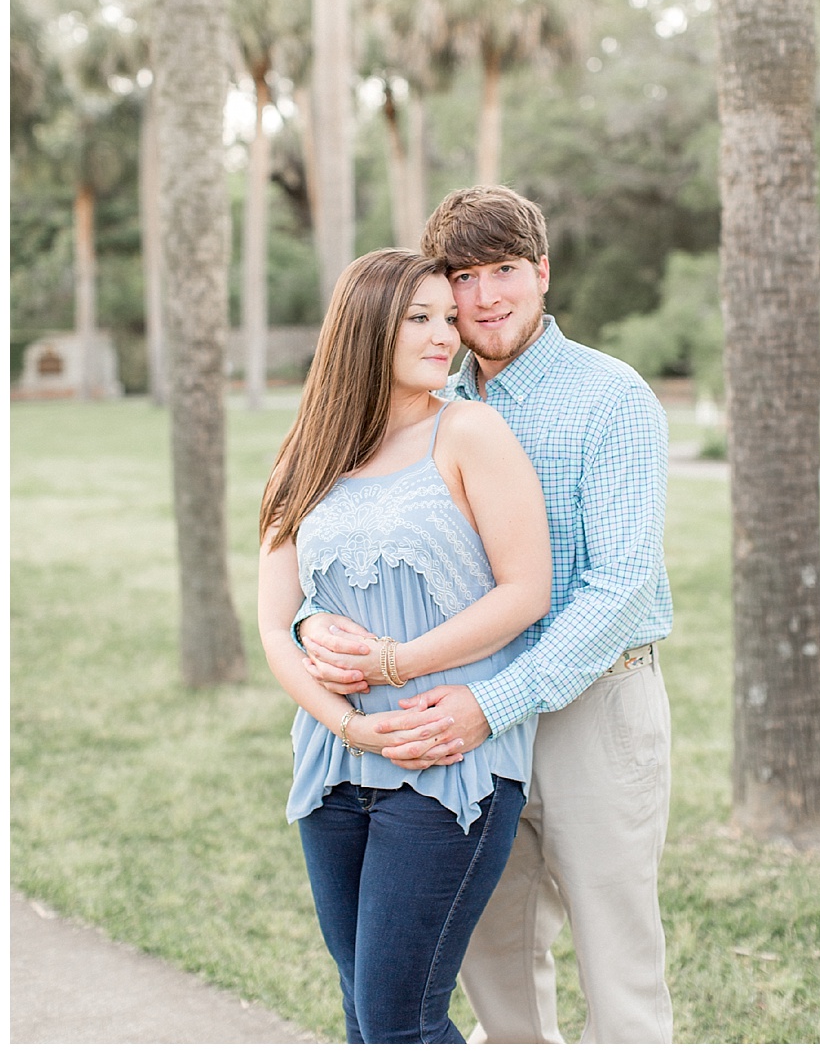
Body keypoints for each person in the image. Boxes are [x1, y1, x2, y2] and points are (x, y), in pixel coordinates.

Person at [300, 185, 675, 1043]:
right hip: (459, 726)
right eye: (462, 277)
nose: (482, 299)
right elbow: (343, 532)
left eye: (504, 270)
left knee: (619, 970)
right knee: (496, 975)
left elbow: (619, 587)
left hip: (589, 709)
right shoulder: (422, 395)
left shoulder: (609, 398)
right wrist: (305, 627)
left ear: (542, 273)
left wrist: (495, 703)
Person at [256, 248, 553, 1043]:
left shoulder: (469, 432)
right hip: (334, 764)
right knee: (363, 1009)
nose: (444, 336)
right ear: (366, 328)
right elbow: (275, 623)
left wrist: (395, 665)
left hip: (445, 761)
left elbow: (527, 592)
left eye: (446, 319)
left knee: (399, 1019)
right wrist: (349, 724)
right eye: (420, 318)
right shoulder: (304, 455)